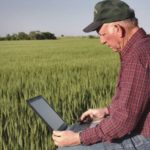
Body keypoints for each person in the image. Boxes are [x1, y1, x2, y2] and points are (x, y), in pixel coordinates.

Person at [52, 0, 150, 149]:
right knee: (81, 131)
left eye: (102, 34)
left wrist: (78, 138)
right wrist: (107, 111)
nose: (101, 41)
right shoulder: (143, 46)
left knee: (67, 148)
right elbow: (136, 100)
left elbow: (124, 121)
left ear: (117, 29)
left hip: (144, 137)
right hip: (139, 129)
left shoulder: (137, 55)